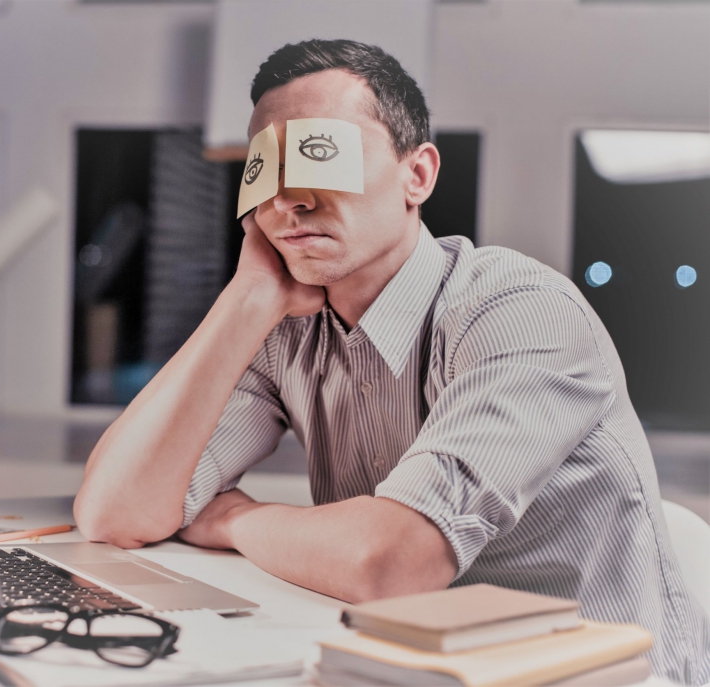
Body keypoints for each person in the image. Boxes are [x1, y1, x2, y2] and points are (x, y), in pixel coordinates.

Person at [73, 39, 710, 683]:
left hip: (594, 672)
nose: (290, 199)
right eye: (266, 168)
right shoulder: (289, 332)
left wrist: (235, 517)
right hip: (407, 662)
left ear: (419, 175)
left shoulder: (520, 309)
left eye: (323, 154)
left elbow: (393, 565)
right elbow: (114, 512)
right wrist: (245, 301)